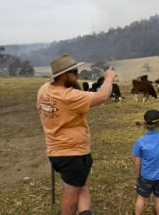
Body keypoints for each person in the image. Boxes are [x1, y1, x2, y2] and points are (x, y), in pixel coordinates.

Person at [37, 54, 116, 215]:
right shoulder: (69, 96)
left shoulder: (45, 89)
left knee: (81, 186)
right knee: (71, 194)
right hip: (72, 154)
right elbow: (103, 96)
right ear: (64, 75)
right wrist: (109, 78)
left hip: (56, 150)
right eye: (74, 71)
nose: (78, 75)